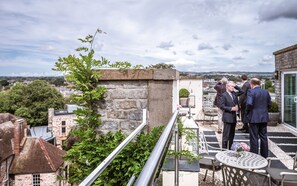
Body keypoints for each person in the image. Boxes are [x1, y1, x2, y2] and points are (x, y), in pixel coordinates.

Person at [246, 78, 271, 158]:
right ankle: (264, 155)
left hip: (254, 117)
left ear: (252, 84)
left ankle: (254, 155)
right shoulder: (266, 92)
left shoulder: (251, 91)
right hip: (264, 117)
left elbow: (249, 104)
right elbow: (269, 104)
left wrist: (247, 112)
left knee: (254, 137)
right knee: (264, 137)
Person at [220, 81, 240, 149]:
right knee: (226, 135)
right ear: (227, 86)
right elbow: (222, 106)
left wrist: (236, 86)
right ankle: (224, 150)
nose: (233, 88)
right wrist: (231, 108)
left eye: (233, 87)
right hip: (227, 117)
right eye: (232, 86)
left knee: (232, 136)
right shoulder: (224, 95)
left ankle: (230, 148)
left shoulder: (234, 94)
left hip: (234, 118)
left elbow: (242, 91)